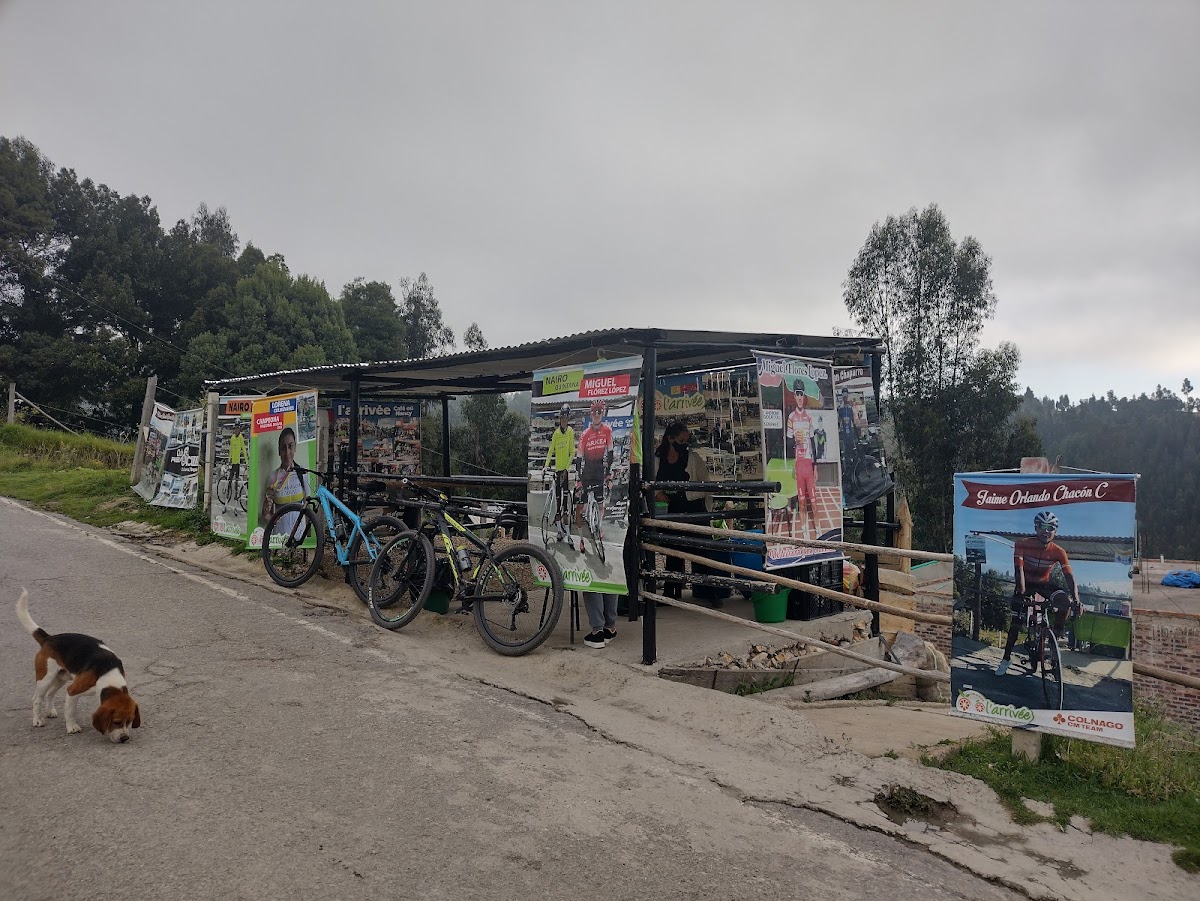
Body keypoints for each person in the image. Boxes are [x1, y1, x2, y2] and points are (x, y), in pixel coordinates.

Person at [995, 510, 1079, 676]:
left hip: (1043, 584)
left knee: (1065, 603)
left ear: (1055, 531)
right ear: (1036, 527)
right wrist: (1022, 594)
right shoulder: (1022, 543)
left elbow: (1069, 576)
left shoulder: (1059, 551)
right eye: (1042, 526)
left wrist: (1076, 599)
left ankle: (1054, 640)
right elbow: (1018, 571)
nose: (1046, 531)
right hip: (1025, 583)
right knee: (1016, 624)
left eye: (1051, 527)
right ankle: (1006, 658)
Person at [654, 421, 719, 606]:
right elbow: (649, 479)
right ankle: (670, 593)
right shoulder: (658, 458)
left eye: (686, 440)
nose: (684, 444)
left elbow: (707, 485)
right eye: (681, 440)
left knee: (702, 553)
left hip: (694, 509)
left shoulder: (693, 458)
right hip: (672, 509)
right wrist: (658, 492)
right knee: (672, 552)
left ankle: (711, 594)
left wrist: (689, 494)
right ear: (670, 438)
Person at [575, 399, 614, 553]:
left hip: (599, 472)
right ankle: (581, 539)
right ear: (591, 414)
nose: (597, 414)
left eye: (600, 411)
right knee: (580, 508)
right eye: (594, 411)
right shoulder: (585, 434)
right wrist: (578, 479)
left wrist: (609, 474)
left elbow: (610, 453)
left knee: (600, 504)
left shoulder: (607, 430)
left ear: (603, 413)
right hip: (586, 474)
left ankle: (599, 527)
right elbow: (578, 458)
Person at [785, 381, 818, 539]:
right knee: (802, 501)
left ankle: (817, 530)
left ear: (804, 397)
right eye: (797, 394)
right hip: (798, 463)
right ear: (794, 396)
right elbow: (787, 443)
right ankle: (804, 531)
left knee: (814, 500)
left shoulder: (809, 417)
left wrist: (816, 465)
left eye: (801, 394)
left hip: (809, 463)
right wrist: (795, 443)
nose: (799, 397)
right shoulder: (791, 418)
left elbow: (813, 441)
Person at [262, 427, 306, 535]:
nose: (287, 452)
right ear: (279, 451)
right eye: (283, 448)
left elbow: (308, 509)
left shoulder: (303, 473)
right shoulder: (273, 476)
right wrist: (265, 511)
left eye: (290, 446)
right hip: (279, 538)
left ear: (295, 447)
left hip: (299, 538)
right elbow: (267, 515)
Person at [542, 403, 575, 542]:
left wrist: (567, 468)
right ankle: (559, 530)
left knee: (565, 503)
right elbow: (551, 451)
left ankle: (567, 532)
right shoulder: (556, 433)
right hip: (557, 471)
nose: (563, 419)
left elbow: (572, 452)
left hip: (565, 472)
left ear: (568, 418)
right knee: (558, 501)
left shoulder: (570, 432)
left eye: (566, 417)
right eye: (562, 417)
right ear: (560, 418)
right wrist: (545, 466)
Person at [225, 425, 247, 512]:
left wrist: (246, 462)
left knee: (236, 486)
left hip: (237, 464)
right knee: (229, 483)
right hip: (232, 464)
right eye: (235, 429)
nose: (236, 430)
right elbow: (230, 450)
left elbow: (244, 450)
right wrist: (228, 460)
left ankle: (235, 507)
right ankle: (225, 505)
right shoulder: (232, 438)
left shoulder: (240, 438)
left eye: (238, 429)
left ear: (239, 429)